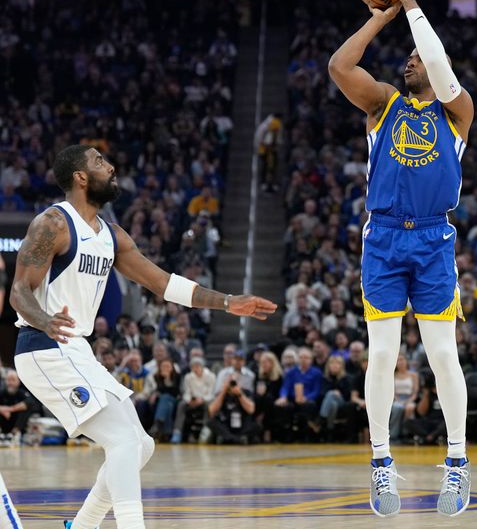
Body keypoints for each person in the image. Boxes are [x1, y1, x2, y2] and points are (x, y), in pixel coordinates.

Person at [9, 145, 277, 529]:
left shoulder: (111, 235)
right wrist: (45, 318)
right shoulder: (53, 224)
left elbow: (163, 283)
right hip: (43, 345)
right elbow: (18, 291)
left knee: (141, 445)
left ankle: (83, 525)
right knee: (121, 440)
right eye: (99, 161)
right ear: (80, 177)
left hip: (75, 348)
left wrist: (229, 302)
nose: (111, 166)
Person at [328, 0, 474, 516]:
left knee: (442, 356)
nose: (412, 61)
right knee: (383, 353)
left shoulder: (456, 111)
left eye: (420, 57)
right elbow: (341, 65)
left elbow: (438, 64)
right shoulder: (383, 103)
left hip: (434, 241)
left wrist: (412, 2)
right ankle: (381, 463)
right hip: (385, 240)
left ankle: (457, 463)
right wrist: (382, 15)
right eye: (408, 57)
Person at [171, 356, 216, 444]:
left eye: (198, 366)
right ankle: (177, 432)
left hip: (205, 400)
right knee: (181, 404)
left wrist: (202, 399)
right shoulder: (188, 377)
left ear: (202, 366)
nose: (196, 368)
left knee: (209, 405)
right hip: (192, 401)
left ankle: (205, 431)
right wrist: (189, 401)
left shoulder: (211, 376)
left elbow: (212, 393)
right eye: (193, 366)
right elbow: (186, 392)